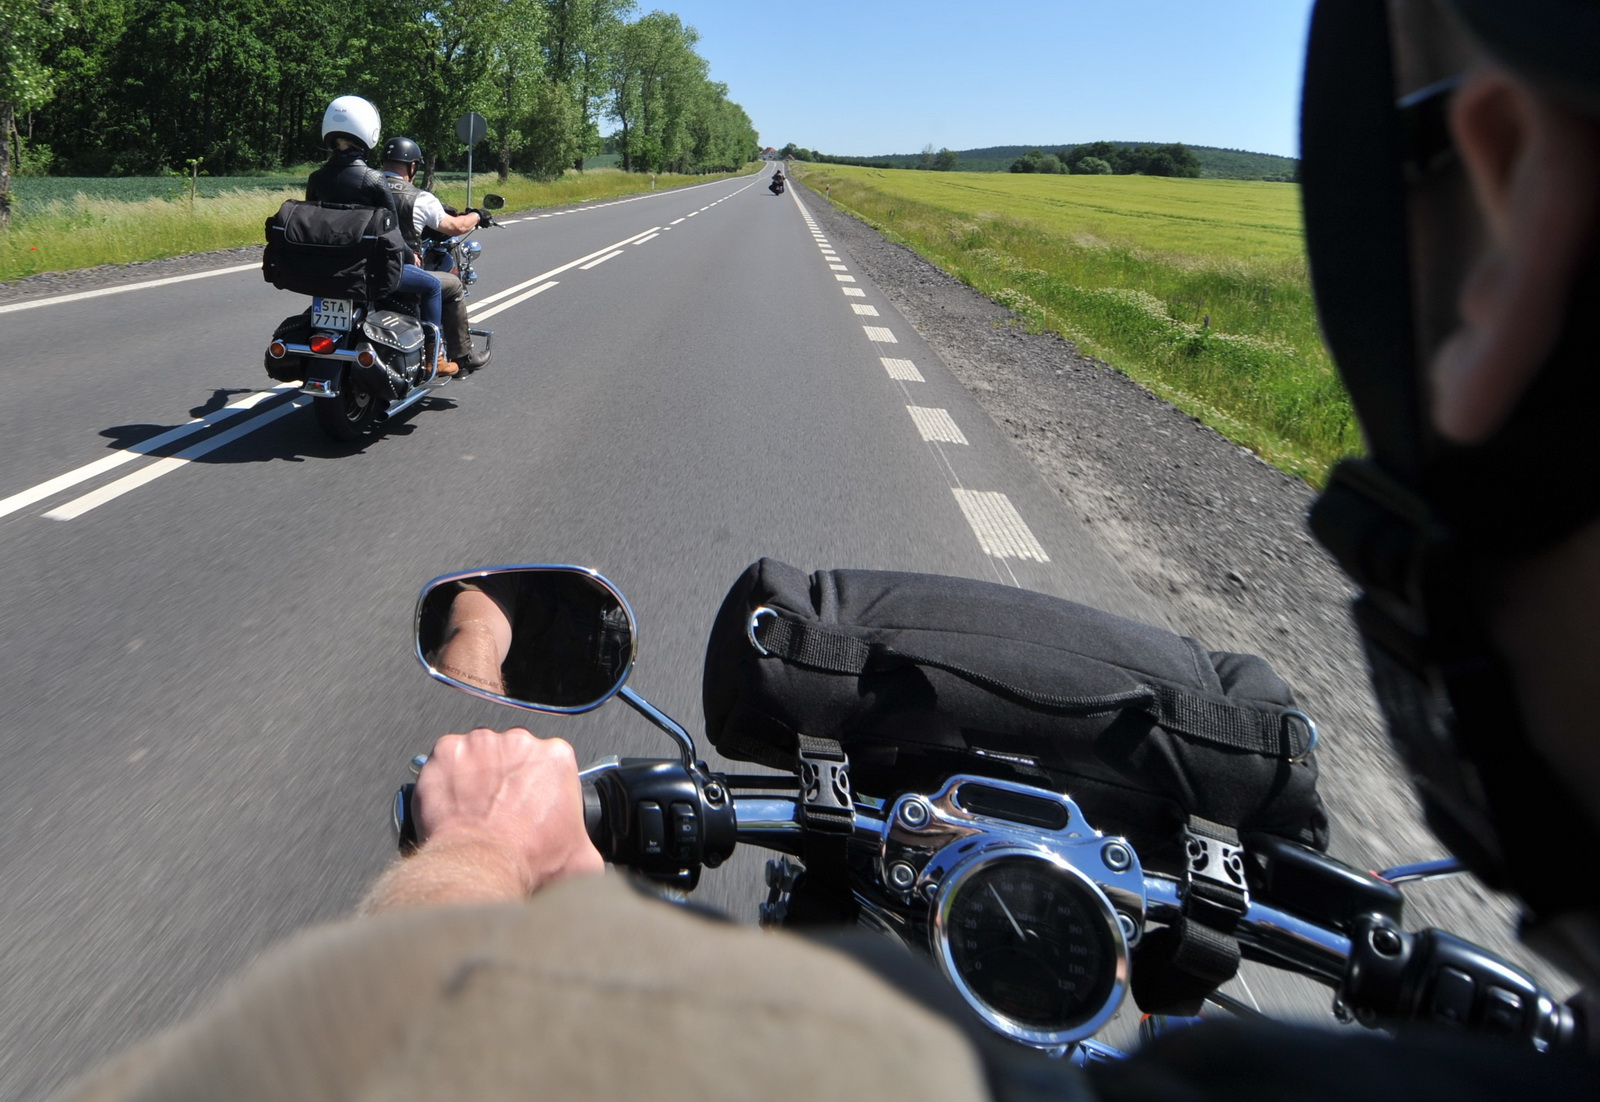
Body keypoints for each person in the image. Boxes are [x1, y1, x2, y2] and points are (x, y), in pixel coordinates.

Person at [44, 2, 1600, 1098]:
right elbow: (434, 234)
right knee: (446, 297)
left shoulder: (321, 185)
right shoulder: (393, 187)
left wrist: (477, 858)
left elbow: (374, 1055)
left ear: (1516, 188)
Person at [306, 96, 453, 377]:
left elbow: (315, 223)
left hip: (327, 270)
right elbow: (390, 230)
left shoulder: (316, 178)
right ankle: (436, 357)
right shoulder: (373, 180)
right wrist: (410, 255)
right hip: (368, 271)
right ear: (369, 131)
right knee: (433, 286)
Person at [379, 137, 493, 373]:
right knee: (452, 285)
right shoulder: (419, 198)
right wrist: (478, 215)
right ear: (412, 166)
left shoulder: (365, 189)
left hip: (361, 269)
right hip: (398, 272)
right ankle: (453, 357)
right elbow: (457, 226)